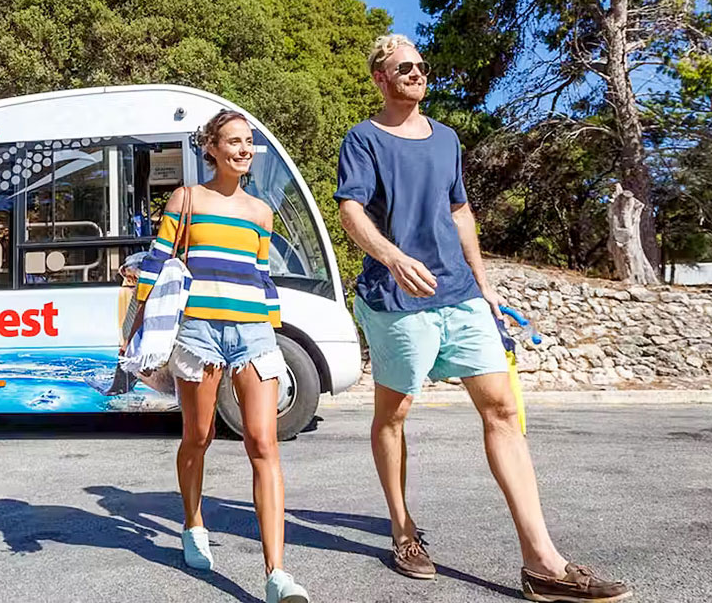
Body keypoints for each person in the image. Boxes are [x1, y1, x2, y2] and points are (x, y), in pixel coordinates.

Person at [335, 34, 633, 603]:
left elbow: (461, 210)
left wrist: (485, 283)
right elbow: (351, 209)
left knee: (502, 410)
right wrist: (392, 256)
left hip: (460, 292)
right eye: (405, 68)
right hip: (397, 297)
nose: (418, 74)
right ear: (380, 77)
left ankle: (542, 561)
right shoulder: (364, 139)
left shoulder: (446, 138)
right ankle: (402, 531)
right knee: (394, 415)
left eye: (422, 66)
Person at [134, 109, 310, 603]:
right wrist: (141, 330)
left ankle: (277, 574)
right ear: (211, 148)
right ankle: (192, 523)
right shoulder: (187, 199)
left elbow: (261, 274)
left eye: (249, 141)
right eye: (233, 141)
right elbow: (159, 259)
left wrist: (271, 329)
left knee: (263, 443)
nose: (244, 149)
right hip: (199, 332)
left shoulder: (261, 212)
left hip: (253, 333)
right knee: (199, 436)